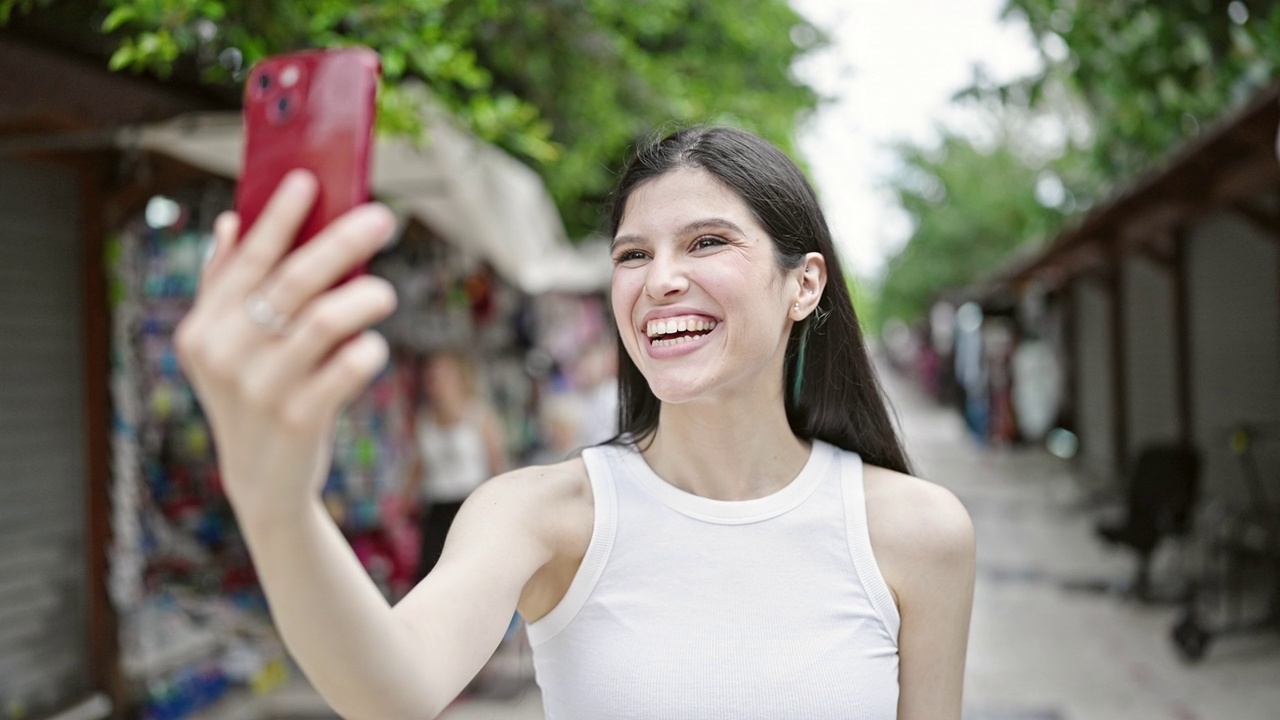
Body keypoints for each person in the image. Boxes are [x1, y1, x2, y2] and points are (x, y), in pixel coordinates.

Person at [175, 125, 976, 719]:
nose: (661, 280)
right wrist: (277, 508)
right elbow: (390, 690)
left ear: (803, 286)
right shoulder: (543, 515)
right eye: (632, 255)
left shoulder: (918, 532)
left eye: (706, 242)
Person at [403, 352, 507, 580]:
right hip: (437, 508)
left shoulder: (479, 416)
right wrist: (402, 505)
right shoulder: (424, 420)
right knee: (432, 573)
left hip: (471, 503)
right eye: (432, 379)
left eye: (444, 377)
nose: (438, 384)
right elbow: (419, 467)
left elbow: (496, 465)